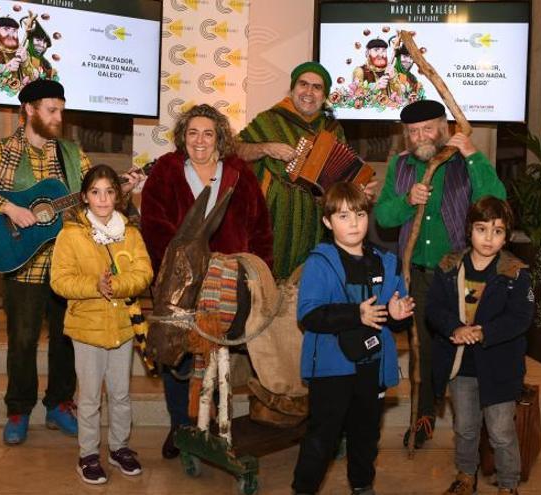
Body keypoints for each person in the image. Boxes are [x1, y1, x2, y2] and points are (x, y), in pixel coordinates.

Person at [0, 79, 140, 445]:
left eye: (61, 110)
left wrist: (119, 192)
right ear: (30, 110)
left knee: (65, 339)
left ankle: (59, 403)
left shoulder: (71, 155)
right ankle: (19, 408)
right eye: (51, 110)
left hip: (67, 267)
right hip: (21, 262)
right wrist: (8, 207)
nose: (58, 117)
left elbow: (91, 200)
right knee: (21, 339)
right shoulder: (3, 151)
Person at [141, 103, 273, 459]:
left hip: (228, 282)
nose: (200, 140)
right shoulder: (166, 171)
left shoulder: (239, 173)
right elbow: (154, 226)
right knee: (177, 354)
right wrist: (177, 270)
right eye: (193, 132)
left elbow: (260, 226)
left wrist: (261, 272)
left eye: (208, 133)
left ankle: (210, 423)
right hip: (179, 284)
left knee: (218, 352)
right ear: (183, 136)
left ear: (220, 137)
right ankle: (180, 426)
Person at [373, 99, 506, 448]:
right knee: (424, 348)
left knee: (464, 344)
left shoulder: (465, 162)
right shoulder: (400, 167)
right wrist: (406, 202)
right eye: (413, 132)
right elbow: (384, 218)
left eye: (427, 128)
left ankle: (475, 421)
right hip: (415, 274)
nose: (420, 137)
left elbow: (496, 202)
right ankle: (425, 415)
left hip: (459, 274)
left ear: (443, 127)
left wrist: (474, 156)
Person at [292, 182, 415, 495]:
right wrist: (354, 314)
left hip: (371, 366)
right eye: (344, 216)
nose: (354, 223)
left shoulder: (385, 262)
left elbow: (393, 315)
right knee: (323, 438)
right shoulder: (320, 263)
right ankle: (303, 489)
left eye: (360, 214)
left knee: (366, 435)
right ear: (327, 222)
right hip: (333, 369)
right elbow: (309, 315)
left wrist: (399, 314)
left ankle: (362, 486)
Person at [50, 164, 152, 484]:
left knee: (121, 394)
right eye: (96, 192)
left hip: (122, 326)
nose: (103, 198)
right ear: (84, 197)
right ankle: (88, 455)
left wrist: (116, 287)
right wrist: (95, 287)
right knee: (90, 397)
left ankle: (119, 448)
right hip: (87, 328)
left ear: (118, 195)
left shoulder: (131, 233)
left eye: (109, 191)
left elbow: (144, 273)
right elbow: (60, 281)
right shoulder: (70, 235)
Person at [425, 197, 534, 495]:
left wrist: (484, 332)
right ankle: (465, 475)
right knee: (465, 428)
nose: (488, 238)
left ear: (507, 235)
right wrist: (454, 328)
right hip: (461, 365)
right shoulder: (449, 266)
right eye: (482, 229)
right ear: (468, 230)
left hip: (500, 366)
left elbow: (521, 318)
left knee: (500, 431)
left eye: (497, 231)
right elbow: (433, 308)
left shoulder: (515, 273)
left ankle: (508, 484)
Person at [237, 61, 375, 280]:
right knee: (265, 283)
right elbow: (235, 149)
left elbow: (342, 177)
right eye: (303, 84)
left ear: (324, 95)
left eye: (317, 87)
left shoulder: (332, 128)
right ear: (292, 89)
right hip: (272, 218)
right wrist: (265, 148)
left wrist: (359, 190)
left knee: (308, 283)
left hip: (316, 222)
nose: (309, 92)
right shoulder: (269, 119)